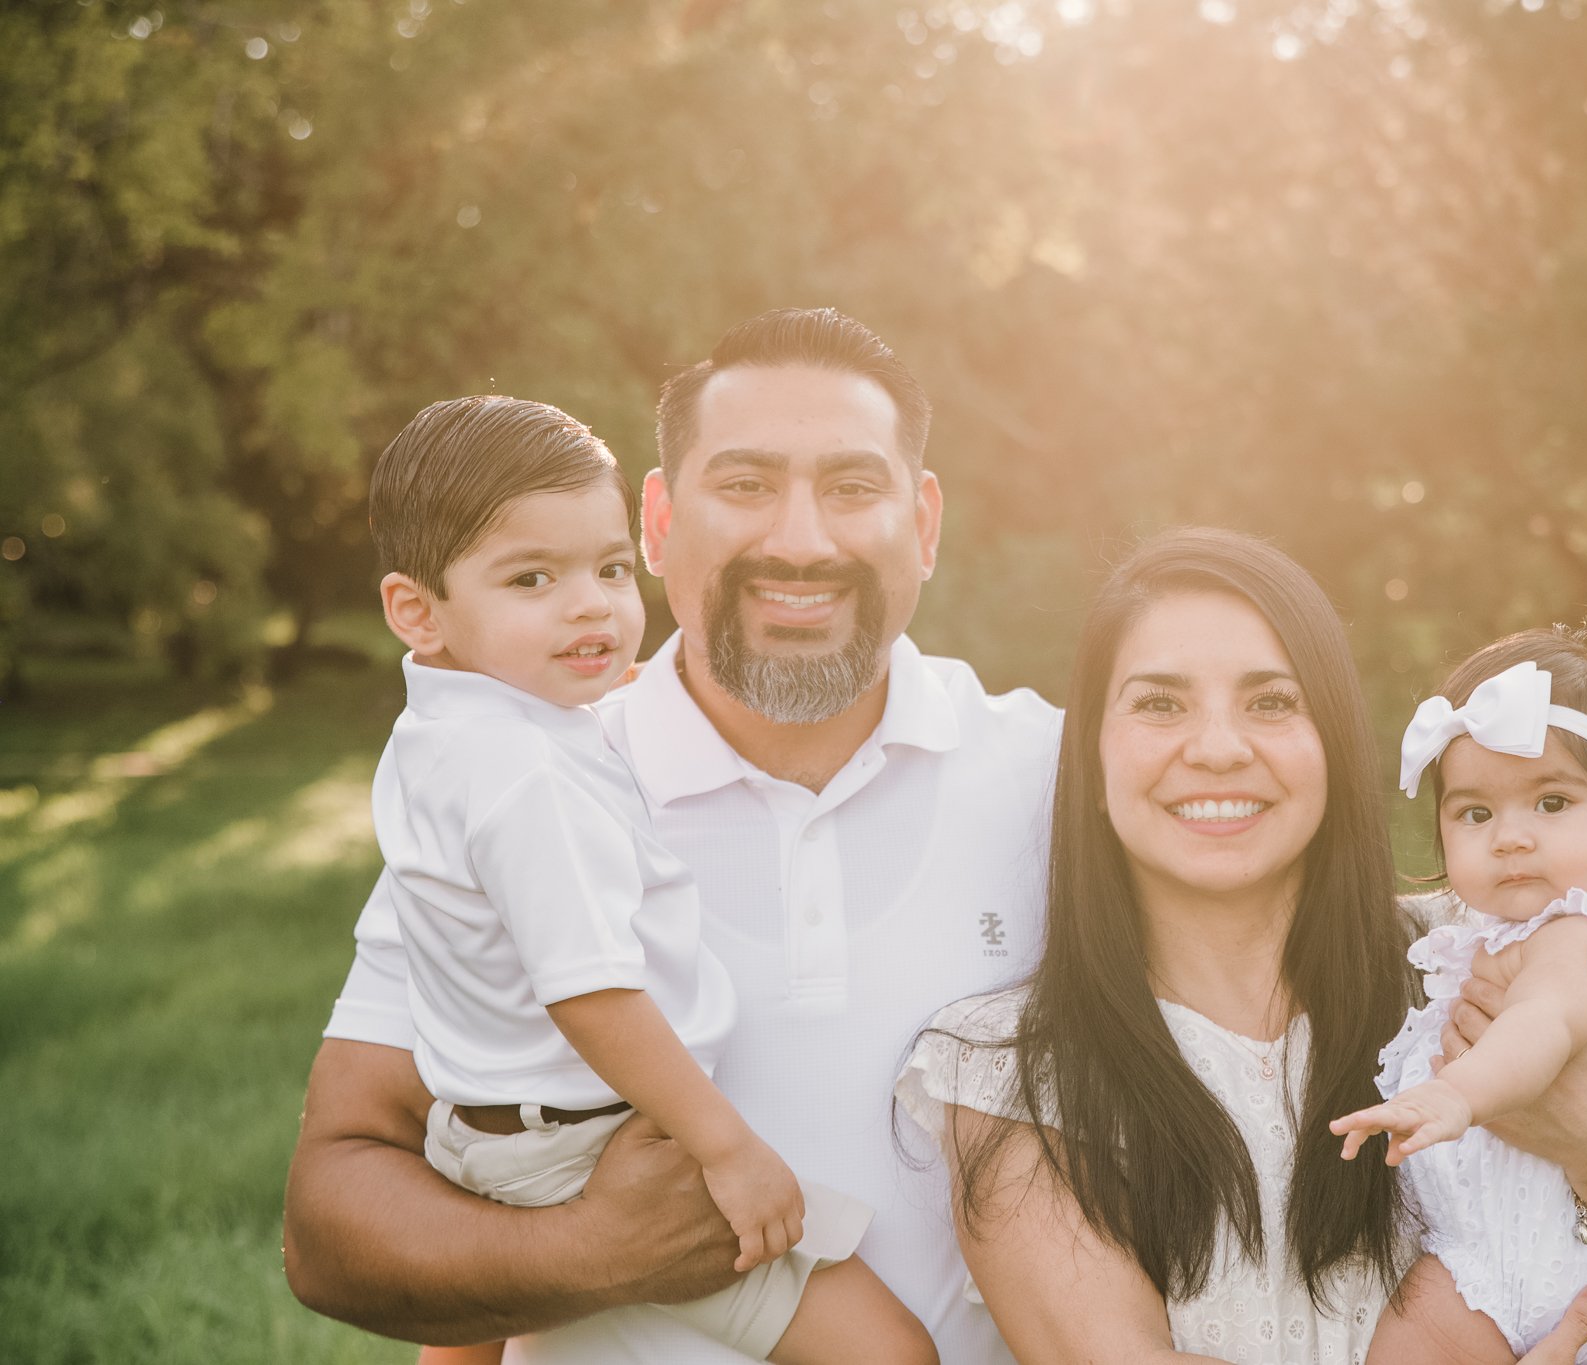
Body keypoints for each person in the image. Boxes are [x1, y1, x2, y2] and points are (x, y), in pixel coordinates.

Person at [285, 309, 1063, 1363]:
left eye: (850, 486)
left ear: (921, 523)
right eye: (744, 485)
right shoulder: (520, 783)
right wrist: (586, 1252)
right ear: (657, 522)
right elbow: (333, 1228)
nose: (799, 538)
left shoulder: (1062, 780)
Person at [893, 530, 1587, 1363]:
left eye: (1272, 701)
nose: (1219, 749)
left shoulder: (1472, 966)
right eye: (1160, 702)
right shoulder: (1009, 1071)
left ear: (1332, 745)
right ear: (1092, 758)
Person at [361, 394, 926, 1364]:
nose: (590, 605)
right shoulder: (529, 780)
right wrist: (726, 1150)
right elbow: (590, 990)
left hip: (484, 1128)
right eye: (531, 577)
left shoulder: (458, 728)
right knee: (886, 1350)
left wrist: (576, 687)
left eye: (609, 570)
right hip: (582, 1147)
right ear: (417, 610)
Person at [1333, 630, 1587, 1363]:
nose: (1511, 838)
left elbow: (1540, 1022)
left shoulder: (1575, 933)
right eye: (1475, 814)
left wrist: (1453, 1096)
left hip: (1521, 1258)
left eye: (1551, 801)